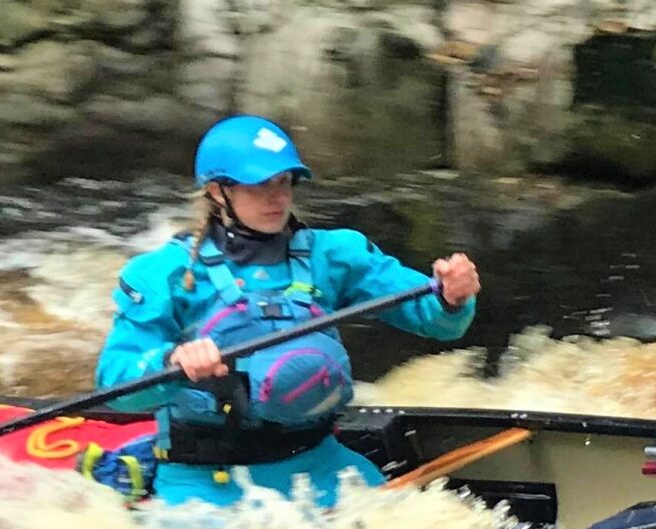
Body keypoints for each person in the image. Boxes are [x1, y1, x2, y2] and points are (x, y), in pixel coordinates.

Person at [95, 114, 480, 508]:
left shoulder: (333, 254)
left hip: (321, 464)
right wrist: (171, 361)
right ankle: (139, 466)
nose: (276, 197)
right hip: (207, 481)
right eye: (259, 185)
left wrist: (452, 296)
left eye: (283, 182)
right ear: (216, 191)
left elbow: (437, 320)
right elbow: (115, 383)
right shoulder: (164, 275)